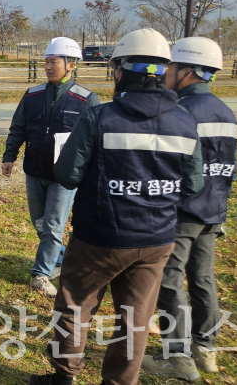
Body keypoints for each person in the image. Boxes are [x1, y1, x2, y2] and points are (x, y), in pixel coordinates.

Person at [28, 28, 204, 385]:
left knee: (75, 308)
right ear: (162, 72)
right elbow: (194, 185)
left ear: (121, 70)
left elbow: (67, 173)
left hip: (100, 237)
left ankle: (65, 377)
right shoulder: (186, 123)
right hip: (156, 242)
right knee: (136, 318)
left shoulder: (99, 117)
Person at [141, 37, 237, 381]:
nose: (165, 73)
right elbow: (231, 169)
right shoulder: (226, 112)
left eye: (169, 67)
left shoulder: (181, 112)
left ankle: (177, 357)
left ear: (186, 71)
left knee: (169, 278)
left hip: (182, 211)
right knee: (203, 278)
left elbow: (167, 165)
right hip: (213, 210)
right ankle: (205, 349)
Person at [1, 37, 100, 298]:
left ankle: (40, 274)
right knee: (40, 224)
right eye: (45, 62)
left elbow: (95, 142)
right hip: (34, 171)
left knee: (54, 226)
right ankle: (60, 260)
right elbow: (18, 128)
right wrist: (9, 155)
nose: (47, 66)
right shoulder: (32, 95)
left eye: (53, 62)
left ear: (71, 65)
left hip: (64, 177)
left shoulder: (87, 100)